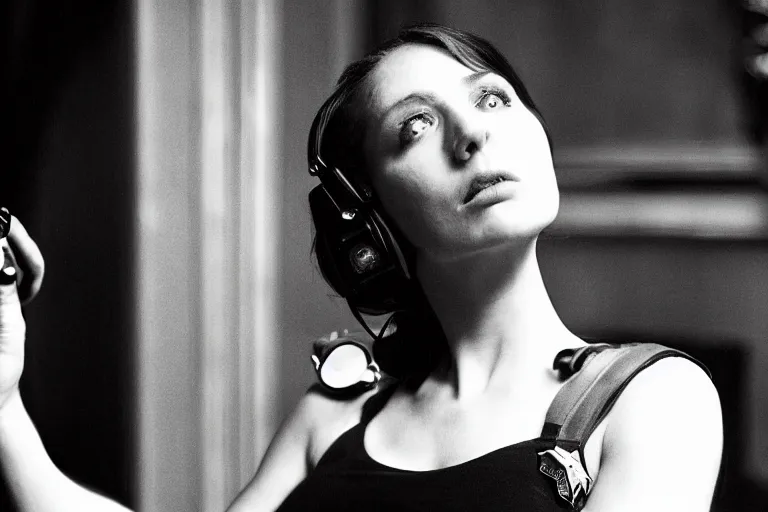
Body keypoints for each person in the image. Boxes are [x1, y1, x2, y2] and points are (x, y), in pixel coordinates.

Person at [0, 23, 723, 512]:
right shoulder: (337, 412)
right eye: (416, 126)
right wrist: (3, 405)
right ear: (368, 223)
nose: (472, 134)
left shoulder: (651, 400)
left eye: (491, 97)